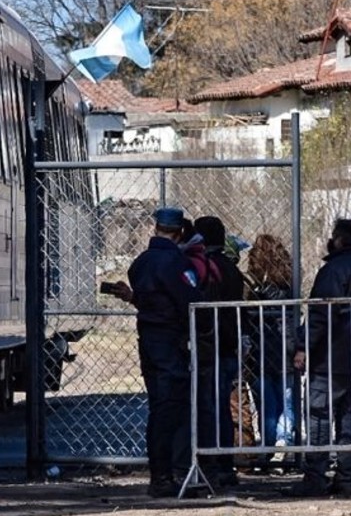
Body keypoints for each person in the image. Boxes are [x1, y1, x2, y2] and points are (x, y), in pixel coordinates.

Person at [106, 206, 205, 499]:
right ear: (179, 233)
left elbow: (149, 300)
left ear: (156, 229)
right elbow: (190, 298)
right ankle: (166, 476)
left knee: (158, 408)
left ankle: (159, 473)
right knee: (171, 408)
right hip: (170, 342)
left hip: (148, 339)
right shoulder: (176, 264)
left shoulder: (140, 263)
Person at [285, 218, 351, 498]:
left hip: (331, 358)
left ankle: (315, 476)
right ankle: (347, 477)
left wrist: (303, 346)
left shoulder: (333, 270)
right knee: (349, 418)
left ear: (338, 239)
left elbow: (321, 314)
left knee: (319, 416)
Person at [192, 216, 244, 488]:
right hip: (227, 345)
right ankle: (224, 463)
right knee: (222, 406)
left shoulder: (205, 268)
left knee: (207, 407)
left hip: (208, 346)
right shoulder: (232, 269)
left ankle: (210, 463)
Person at [243, 233, 300, 469]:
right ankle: (283, 441)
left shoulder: (255, 287)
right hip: (286, 346)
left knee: (267, 401)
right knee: (286, 399)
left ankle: (269, 446)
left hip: (260, 349)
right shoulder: (289, 284)